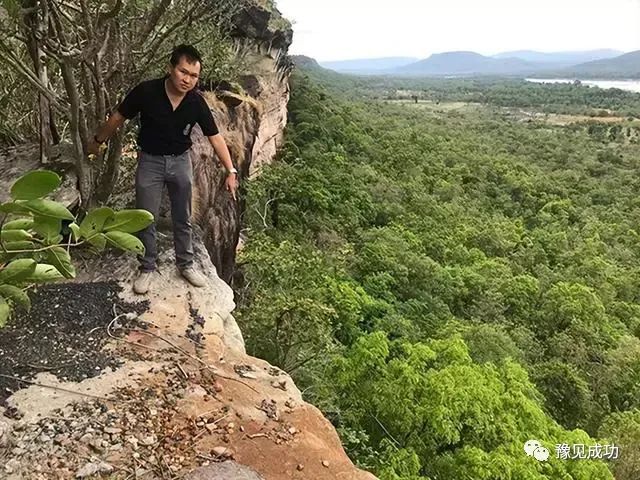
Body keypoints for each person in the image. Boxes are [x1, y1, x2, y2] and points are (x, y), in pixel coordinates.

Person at [88, 44, 238, 295]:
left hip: (181, 161)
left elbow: (215, 137)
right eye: (183, 72)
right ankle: (147, 267)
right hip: (150, 162)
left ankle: (186, 264)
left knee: (183, 216)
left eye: (194, 75)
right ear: (170, 68)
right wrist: (98, 141)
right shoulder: (146, 92)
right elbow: (117, 117)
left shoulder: (196, 102)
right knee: (146, 216)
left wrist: (231, 170)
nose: (188, 79)